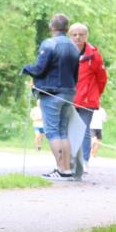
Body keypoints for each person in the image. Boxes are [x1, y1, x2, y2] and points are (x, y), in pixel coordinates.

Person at [22, 13, 80, 180]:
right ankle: (67, 170)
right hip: (69, 92)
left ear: (51, 27)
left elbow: (39, 68)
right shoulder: (74, 47)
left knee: (52, 131)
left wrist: (26, 69)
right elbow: (76, 73)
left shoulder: (49, 44)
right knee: (63, 131)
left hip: (51, 93)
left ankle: (61, 170)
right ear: (67, 29)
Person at [69, 23, 108, 172]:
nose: (78, 37)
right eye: (74, 34)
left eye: (81, 34)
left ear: (86, 36)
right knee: (68, 129)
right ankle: (69, 160)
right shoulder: (64, 52)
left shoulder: (94, 55)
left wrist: (95, 94)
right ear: (70, 36)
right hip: (68, 98)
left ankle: (84, 161)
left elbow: (102, 78)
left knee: (84, 129)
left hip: (87, 100)